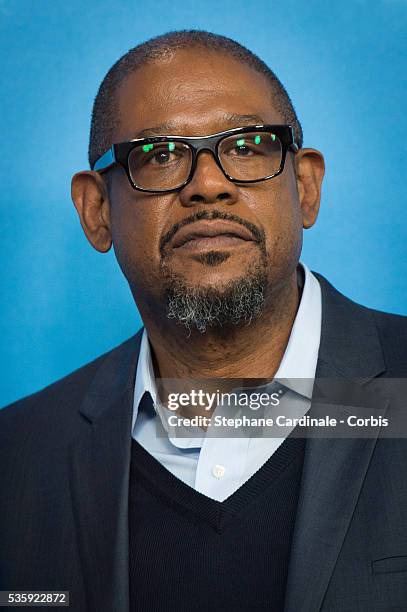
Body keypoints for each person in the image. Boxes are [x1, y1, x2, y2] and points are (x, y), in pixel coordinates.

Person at [1, 30, 407, 612]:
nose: (209, 185)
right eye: (160, 156)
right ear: (97, 211)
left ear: (306, 187)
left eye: (247, 146)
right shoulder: (15, 457)